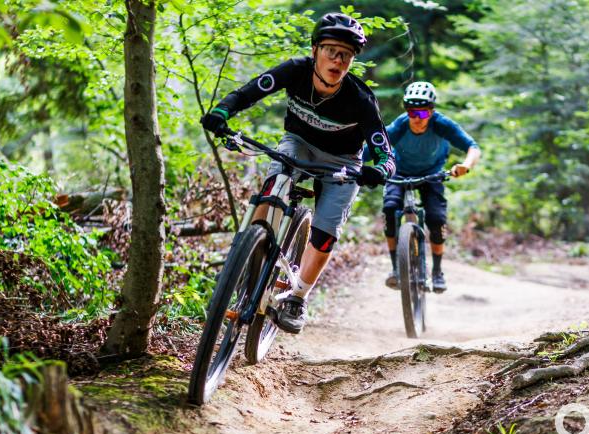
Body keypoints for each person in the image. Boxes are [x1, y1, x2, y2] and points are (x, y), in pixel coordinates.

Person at [201, 12, 395, 334]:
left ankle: (298, 297)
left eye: (345, 55)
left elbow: (384, 151)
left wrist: (379, 169)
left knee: (326, 230)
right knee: (274, 184)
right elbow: (248, 93)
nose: (337, 60)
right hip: (298, 143)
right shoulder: (295, 70)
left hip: (343, 161)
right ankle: (250, 255)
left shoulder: (362, 100)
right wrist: (222, 111)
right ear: (315, 49)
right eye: (331, 51)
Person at [375, 81, 480, 293]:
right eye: (412, 112)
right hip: (400, 172)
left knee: (436, 218)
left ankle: (437, 271)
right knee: (389, 209)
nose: (416, 119)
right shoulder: (400, 125)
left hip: (432, 174)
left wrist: (465, 166)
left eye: (422, 114)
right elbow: (372, 149)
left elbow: (472, 147)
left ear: (431, 112)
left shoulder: (441, 124)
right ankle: (396, 269)